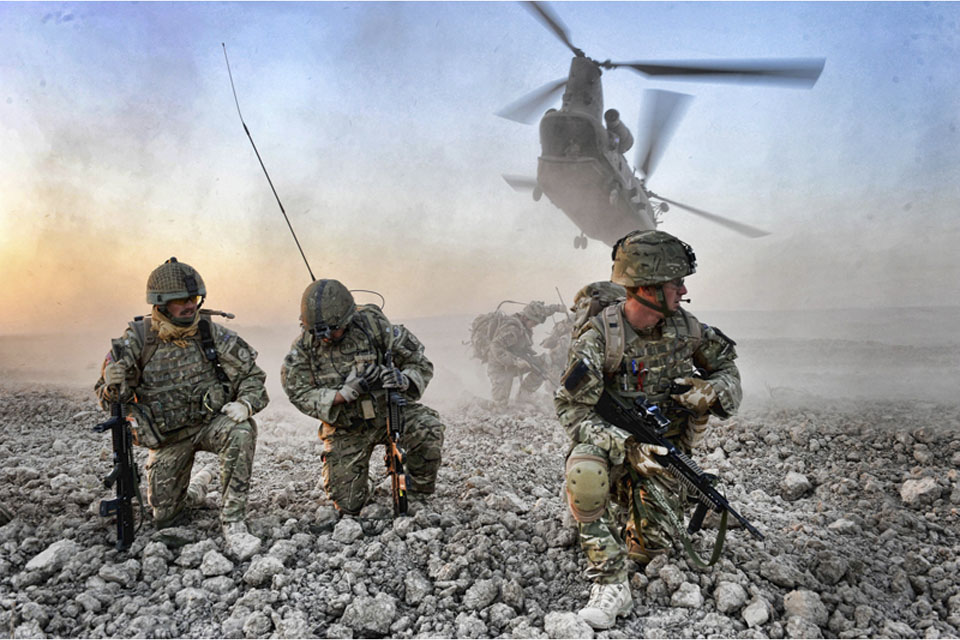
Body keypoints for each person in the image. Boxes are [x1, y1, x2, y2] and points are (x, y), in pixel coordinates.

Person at [555, 230, 742, 630]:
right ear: (648, 286)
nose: (684, 289)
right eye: (676, 282)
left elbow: (729, 370)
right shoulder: (601, 336)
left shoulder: (688, 330)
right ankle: (609, 583)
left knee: (651, 547)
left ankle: (630, 513)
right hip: (615, 448)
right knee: (586, 471)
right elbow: (571, 410)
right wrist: (626, 446)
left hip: (663, 457)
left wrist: (711, 390)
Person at [94, 257, 267, 560]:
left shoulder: (213, 334)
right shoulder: (136, 340)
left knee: (241, 432)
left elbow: (253, 377)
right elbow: (108, 399)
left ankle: (234, 523)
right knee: (166, 519)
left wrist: (246, 403)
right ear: (160, 305)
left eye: (194, 299)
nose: (190, 306)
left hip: (210, 425)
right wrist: (112, 385)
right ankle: (198, 485)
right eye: (180, 301)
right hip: (168, 438)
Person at [280, 279, 445, 516]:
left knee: (428, 427)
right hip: (348, 426)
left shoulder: (377, 327)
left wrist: (404, 379)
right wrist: (341, 395)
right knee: (348, 505)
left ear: (347, 319)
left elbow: (419, 362)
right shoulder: (305, 347)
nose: (325, 337)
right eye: (318, 332)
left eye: (332, 330)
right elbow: (296, 390)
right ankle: (359, 477)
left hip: (389, 412)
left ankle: (417, 491)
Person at [484, 300, 565, 407]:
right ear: (526, 318)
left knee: (544, 361)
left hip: (517, 362)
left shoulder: (527, 318)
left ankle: (523, 396)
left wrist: (557, 308)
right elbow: (495, 346)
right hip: (500, 368)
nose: (535, 325)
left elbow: (542, 311)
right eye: (534, 323)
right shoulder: (513, 329)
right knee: (500, 406)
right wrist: (515, 361)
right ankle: (470, 402)